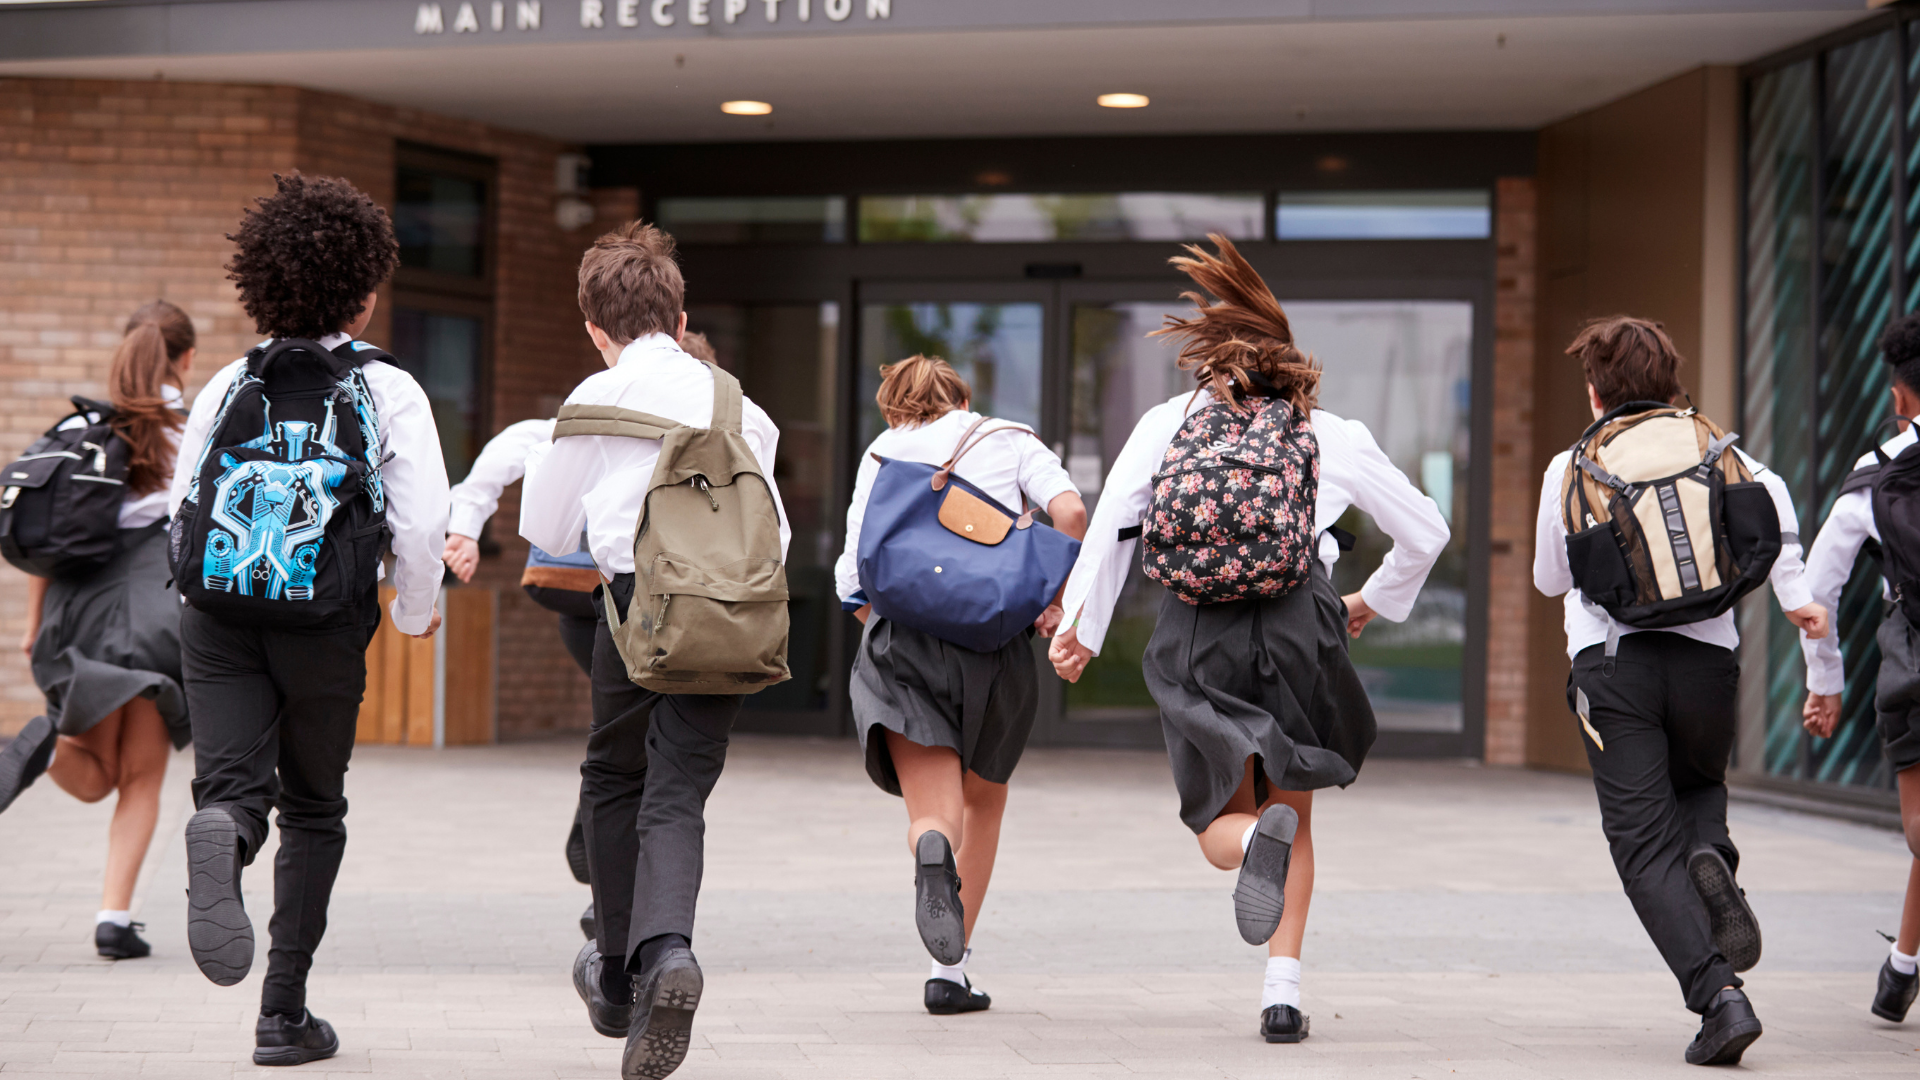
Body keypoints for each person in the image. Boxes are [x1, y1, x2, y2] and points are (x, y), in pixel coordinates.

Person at [1048, 235, 1449, 1044]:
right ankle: (1284, 996)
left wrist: (1080, 628)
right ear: (1288, 358)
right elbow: (1428, 531)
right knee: (1291, 806)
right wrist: (1371, 599)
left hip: (1198, 631)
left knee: (1216, 826)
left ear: (1211, 359)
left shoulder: (1170, 423)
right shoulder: (1331, 432)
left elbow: (1115, 528)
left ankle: (1245, 841)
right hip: (1301, 619)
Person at [168, 172, 448, 1067]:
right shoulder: (389, 391)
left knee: (232, 785)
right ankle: (282, 1016)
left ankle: (227, 830)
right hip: (324, 618)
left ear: (262, 286)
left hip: (215, 614)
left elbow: (185, 507)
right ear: (363, 297)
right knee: (316, 808)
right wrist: (412, 612)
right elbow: (422, 520)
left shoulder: (226, 384)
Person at [520, 221, 787, 1080]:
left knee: (614, 776)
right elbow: (769, 515)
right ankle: (667, 951)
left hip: (634, 608)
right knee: (677, 793)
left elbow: (550, 531)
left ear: (596, 330)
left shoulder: (591, 402)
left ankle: (612, 975)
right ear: (681, 317)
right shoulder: (741, 405)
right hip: (730, 611)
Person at [1533, 316, 1827, 1066]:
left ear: (1596, 390)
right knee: (1698, 786)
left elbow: (1549, 579)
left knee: (1641, 846)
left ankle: (1719, 998)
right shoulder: (1716, 445)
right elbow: (1777, 508)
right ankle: (1714, 863)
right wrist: (1795, 597)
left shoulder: (1573, 465)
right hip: (1709, 664)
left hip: (1615, 666)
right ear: (1671, 380)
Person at [440, 332, 725, 946]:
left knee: (623, 754)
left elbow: (513, 472)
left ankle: (611, 901)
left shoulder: (601, 411)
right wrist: (464, 527)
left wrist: (466, 529)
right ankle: (626, 911)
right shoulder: (717, 424)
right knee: (646, 762)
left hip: (592, 599)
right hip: (634, 603)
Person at [835, 354, 1087, 1015]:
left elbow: (851, 568)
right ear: (962, 399)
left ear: (894, 405)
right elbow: (1071, 512)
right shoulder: (1010, 438)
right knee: (985, 803)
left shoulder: (883, 453)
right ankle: (950, 972)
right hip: (994, 645)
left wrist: (885, 618)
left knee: (934, 813)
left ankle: (930, 848)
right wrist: (1054, 601)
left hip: (903, 645)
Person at [0, 301, 196, 961]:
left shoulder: (83, 425)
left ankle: (43, 748)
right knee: (137, 777)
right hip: (154, 619)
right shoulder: (195, 432)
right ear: (187, 359)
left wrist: (33, 627)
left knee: (93, 769)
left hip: (75, 610)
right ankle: (114, 918)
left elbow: (47, 539)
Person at [1799, 312, 1920, 1026]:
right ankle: (1901, 968)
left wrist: (1827, 683)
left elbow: (1818, 591)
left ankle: (1901, 969)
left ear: (1900, 398)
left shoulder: (1875, 480)